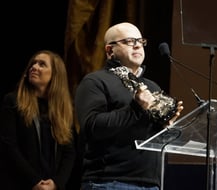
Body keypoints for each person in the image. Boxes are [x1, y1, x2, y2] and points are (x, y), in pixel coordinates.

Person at [74, 22, 184, 190]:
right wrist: (136, 107)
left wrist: (166, 128)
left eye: (140, 41)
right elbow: (92, 127)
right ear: (110, 50)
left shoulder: (152, 86)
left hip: (151, 184)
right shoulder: (95, 81)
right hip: (109, 182)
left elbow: (148, 137)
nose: (138, 45)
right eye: (129, 41)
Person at [0, 50, 77, 190]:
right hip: (20, 184)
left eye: (42, 64)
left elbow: (69, 152)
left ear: (55, 75)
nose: (34, 67)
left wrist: (57, 183)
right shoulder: (12, 101)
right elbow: (9, 145)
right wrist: (34, 181)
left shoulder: (64, 110)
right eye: (33, 63)